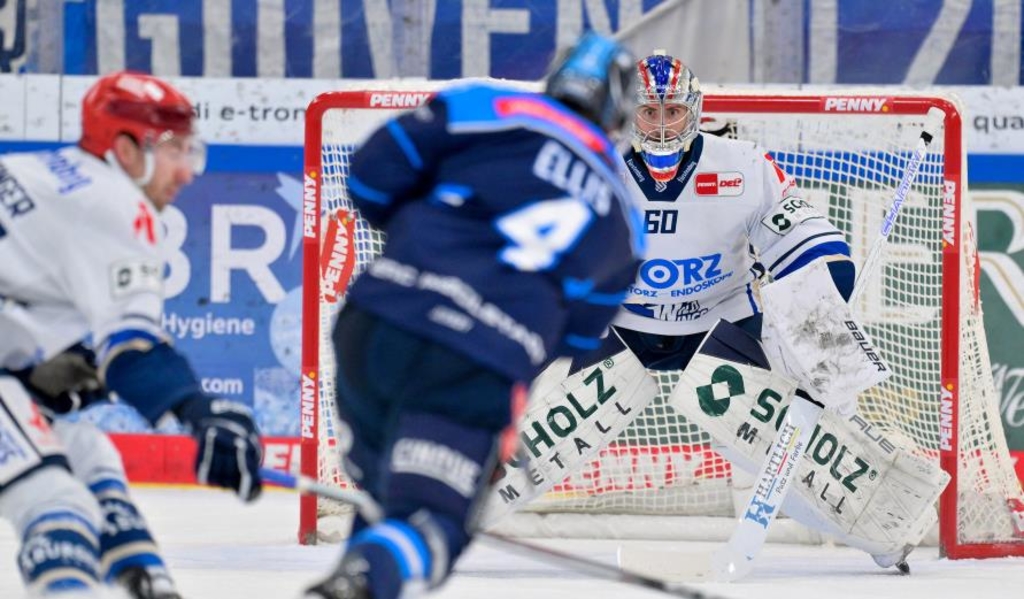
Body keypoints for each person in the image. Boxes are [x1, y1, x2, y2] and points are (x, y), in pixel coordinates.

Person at [554, 50, 942, 570]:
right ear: (629, 113)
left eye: (674, 113)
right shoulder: (587, 166)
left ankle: (880, 532)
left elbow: (810, 241)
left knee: (769, 445)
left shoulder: (741, 165)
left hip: (717, 322)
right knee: (537, 424)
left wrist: (823, 291)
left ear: (694, 112)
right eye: (651, 112)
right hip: (618, 326)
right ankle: (436, 506)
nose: (664, 126)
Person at [305, 32, 644, 599]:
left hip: (379, 318)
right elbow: (577, 340)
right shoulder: (625, 223)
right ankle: (363, 580)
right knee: (430, 522)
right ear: (620, 110)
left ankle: (365, 574)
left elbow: (367, 178)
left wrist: (431, 249)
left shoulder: (477, 105)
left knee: (380, 495)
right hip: (476, 362)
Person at [0, 71, 263, 597]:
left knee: (90, 454)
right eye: (172, 149)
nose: (187, 171)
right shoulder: (115, 206)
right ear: (124, 150)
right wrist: (197, 411)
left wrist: (34, 369)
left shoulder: (39, 172)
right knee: (58, 504)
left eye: (192, 149)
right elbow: (133, 349)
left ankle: (140, 578)